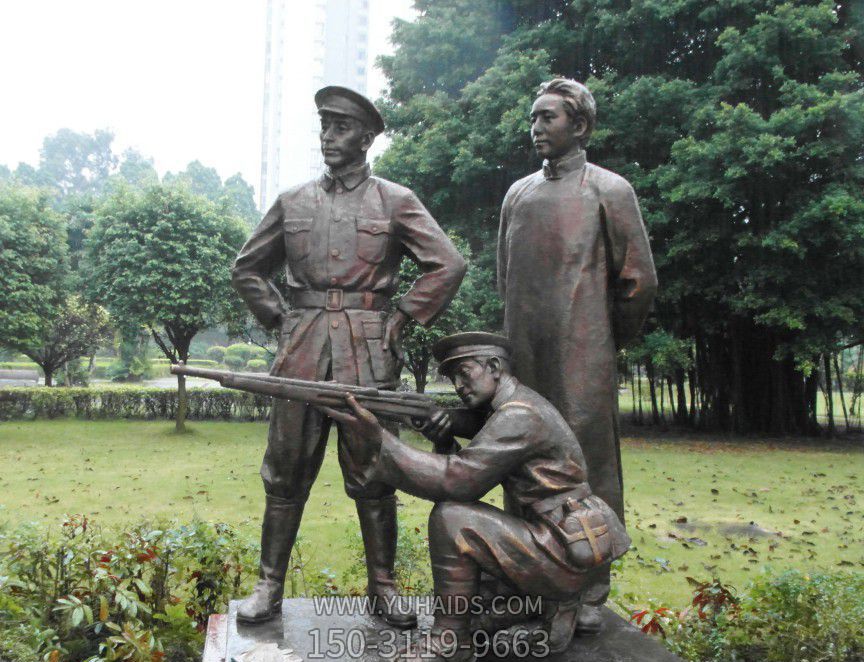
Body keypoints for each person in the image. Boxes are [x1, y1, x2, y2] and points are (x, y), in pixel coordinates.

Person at [231, 86, 467, 626]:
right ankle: (269, 585)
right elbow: (247, 267)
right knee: (286, 469)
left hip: (367, 346)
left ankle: (382, 587)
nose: (328, 137)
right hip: (302, 345)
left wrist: (403, 315)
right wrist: (279, 319)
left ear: (366, 137)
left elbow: (447, 264)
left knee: (374, 469)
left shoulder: (395, 200)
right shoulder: (293, 202)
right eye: (324, 126)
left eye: (340, 128)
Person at [322, 332, 631, 660]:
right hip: (560, 543)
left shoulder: (518, 415)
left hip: (560, 553)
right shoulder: (516, 405)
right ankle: (544, 609)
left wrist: (380, 439)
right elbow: (467, 453)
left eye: (464, 373)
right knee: (473, 598)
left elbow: (457, 481)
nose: (457, 385)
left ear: (494, 367)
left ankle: (450, 639)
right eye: (453, 377)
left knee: (453, 519)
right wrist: (442, 431)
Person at [497, 78, 657, 633]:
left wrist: (607, 342)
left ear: (580, 126)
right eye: (533, 118)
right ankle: (529, 577)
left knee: (587, 465)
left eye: (548, 118)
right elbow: (505, 276)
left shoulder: (608, 190)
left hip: (585, 355)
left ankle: (591, 583)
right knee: (519, 461)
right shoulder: (517, 194)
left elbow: (638, 280)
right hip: (524, 356)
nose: (536, 127)